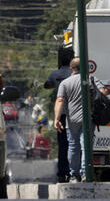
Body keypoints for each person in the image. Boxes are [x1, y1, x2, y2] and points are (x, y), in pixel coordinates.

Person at [54, 57, 109, 183]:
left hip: (71, 120)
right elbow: (103, 92)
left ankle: (74, 175)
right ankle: (85, 173)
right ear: (85, 67)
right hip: (88, 118)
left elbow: (60, 100)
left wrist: (57, 119)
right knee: (86, 146)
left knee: (73, 147)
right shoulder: (91, 79)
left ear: (71, 68)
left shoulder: (65, 83)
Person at [44, 47, 73, 182]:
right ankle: (75, 171)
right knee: (75, 143)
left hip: (61, 113)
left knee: (63, 144)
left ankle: (62, 172)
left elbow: (47, 85)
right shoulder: (75, 74)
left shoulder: (55, 74)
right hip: (74, 113)